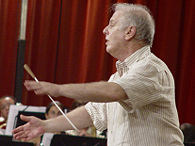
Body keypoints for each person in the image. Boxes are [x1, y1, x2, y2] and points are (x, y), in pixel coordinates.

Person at [13, 3, 184, 145]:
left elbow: (114, 92)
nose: (104, 30)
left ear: (129, 32)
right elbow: (91, 113)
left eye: (112, 24)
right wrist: (45, 125)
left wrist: (58, 89)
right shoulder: (118, 77)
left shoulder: (151, 67)